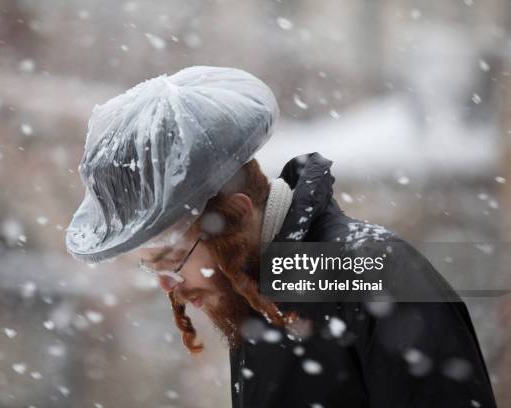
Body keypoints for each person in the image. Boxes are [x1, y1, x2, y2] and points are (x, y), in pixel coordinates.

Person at [66, 66, 497, 407]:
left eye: (172, 261)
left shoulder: (376, 276)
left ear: (236, 215)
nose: (169, 287)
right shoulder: (257, 289)